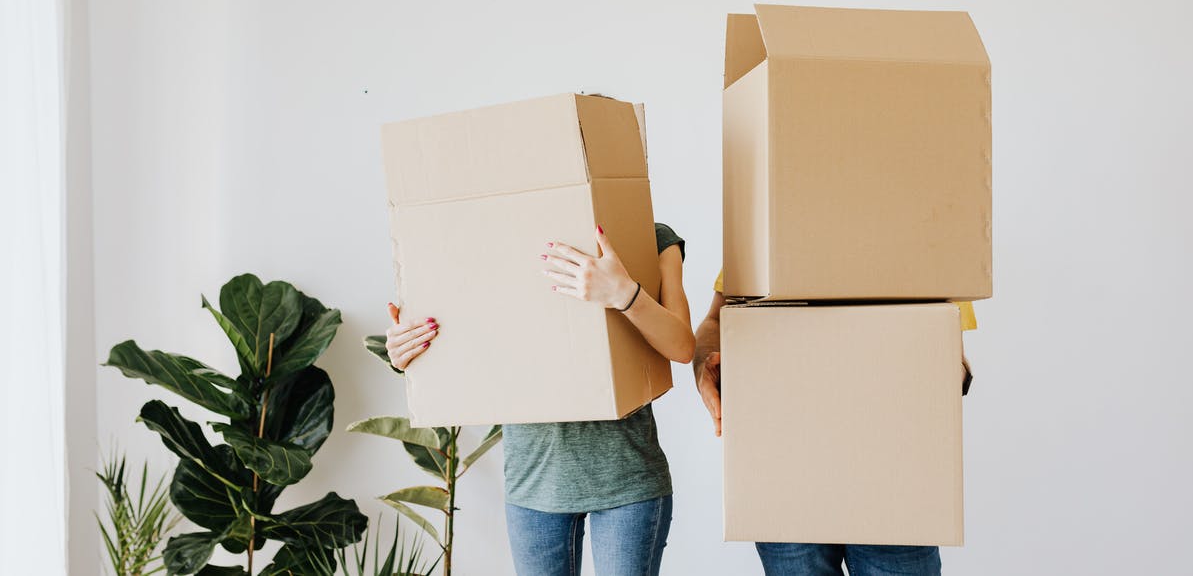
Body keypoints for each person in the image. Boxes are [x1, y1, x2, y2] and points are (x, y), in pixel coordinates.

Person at [384, 223, 694, 576]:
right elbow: (466, 335)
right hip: (533, 485)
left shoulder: (650, 235)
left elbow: (683, 347)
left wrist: (624, 294)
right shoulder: (496, 234)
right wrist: (409, 351)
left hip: (628, 482)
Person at [693, 270, 975, 576]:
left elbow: (944, 333)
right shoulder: (768, 227)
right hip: (785, 467)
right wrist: (704, 367)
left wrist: (943, 375)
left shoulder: (922, 234)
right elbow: (717, 320)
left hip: (892, 471)